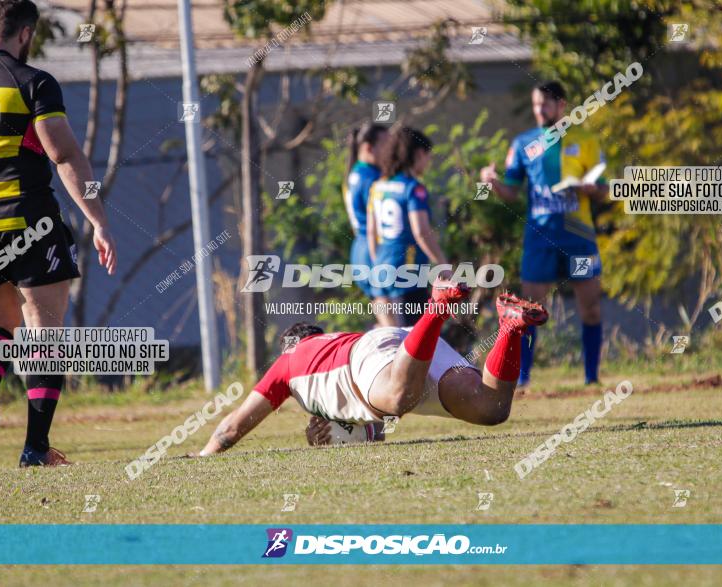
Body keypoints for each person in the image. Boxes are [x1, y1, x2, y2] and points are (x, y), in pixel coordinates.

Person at [0, 0, 117, 469]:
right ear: (26, 32)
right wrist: (98, 219)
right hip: (30, 220)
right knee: (44, 335)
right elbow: (63, 156)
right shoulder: (32, 82)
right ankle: (35, 449)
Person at [198, 279, 548, 454]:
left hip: (370, 360)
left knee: (398, 398)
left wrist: (204, 457)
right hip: (399, 343)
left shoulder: (288, 360)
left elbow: (231, 428)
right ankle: (510, 327)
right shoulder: (331, 341)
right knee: (492, 408)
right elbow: (376, 426)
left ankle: (437, 306)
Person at [480, 80, 608, 386]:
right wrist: (493, 182)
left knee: (590, 306)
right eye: (536, 104)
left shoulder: (586, 140)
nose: (539, 110)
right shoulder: (524, 143)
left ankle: (591, 378)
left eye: (545, 104)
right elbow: (512, 191)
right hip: (540, 237)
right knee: (531, 310)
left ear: (562, 105)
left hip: (579, 236)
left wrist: (592, 189)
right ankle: (523, 379)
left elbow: (605, 188)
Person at [367, 126, 447, 326]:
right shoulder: (413, 188)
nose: (428, 162)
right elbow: (421, 232)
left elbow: (371, 231)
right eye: (428, 156)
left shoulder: (377, 186)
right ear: (420, 154)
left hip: (380, 272)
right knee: (412, 346)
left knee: (392, 343)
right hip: (407, 275)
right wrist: (443, 265)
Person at [343, 122, 388, 323]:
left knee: (384, 317)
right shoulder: (371, 177)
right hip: (374, 249)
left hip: (360, 248)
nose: (390, 151)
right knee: (397, 325)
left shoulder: (353, 174)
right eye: (386, 145)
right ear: (369, 148)